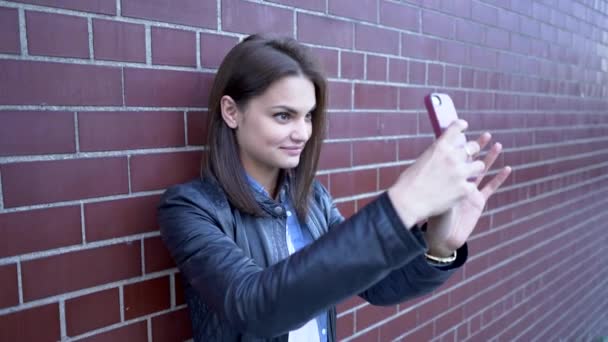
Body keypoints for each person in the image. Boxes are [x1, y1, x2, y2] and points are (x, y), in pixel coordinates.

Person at [157, 34, 511, 342]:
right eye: (284, 115)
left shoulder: (312, 199)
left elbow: (378, 284)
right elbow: (256, 307)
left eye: (308, 115)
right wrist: (403, 204)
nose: (302, 133)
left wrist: (438, 248)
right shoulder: (190, 209)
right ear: (232, 112)